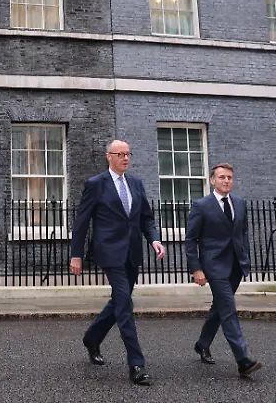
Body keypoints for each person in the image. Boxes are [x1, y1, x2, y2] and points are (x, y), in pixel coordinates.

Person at [70, 140, 166, 385]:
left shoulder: (135, 183)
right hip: (109, 252)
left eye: (128, 154)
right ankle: (136, 364)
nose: (125, 158)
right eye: (120, 154)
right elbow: (82, 222)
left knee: (118, 301)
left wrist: (154, 240)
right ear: (108, 156)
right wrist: (76, 254)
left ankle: (92, 338)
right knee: (125, 304)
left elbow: (146, 218)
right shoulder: (95, 184)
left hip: (132, 252)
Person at [185, 163, 262, 377]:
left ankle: (202, 344)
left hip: (236, 265)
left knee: (219, 308)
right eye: (221, 177)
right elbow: (190, 240)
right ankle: (243, 360)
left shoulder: (239, 202)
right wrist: (197, 269)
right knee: (228, 309)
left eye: (229, 177)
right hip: (214, 265)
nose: (226, 180)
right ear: (212, 180)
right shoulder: (201, 205)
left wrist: (245, 256)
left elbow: (242, 233)